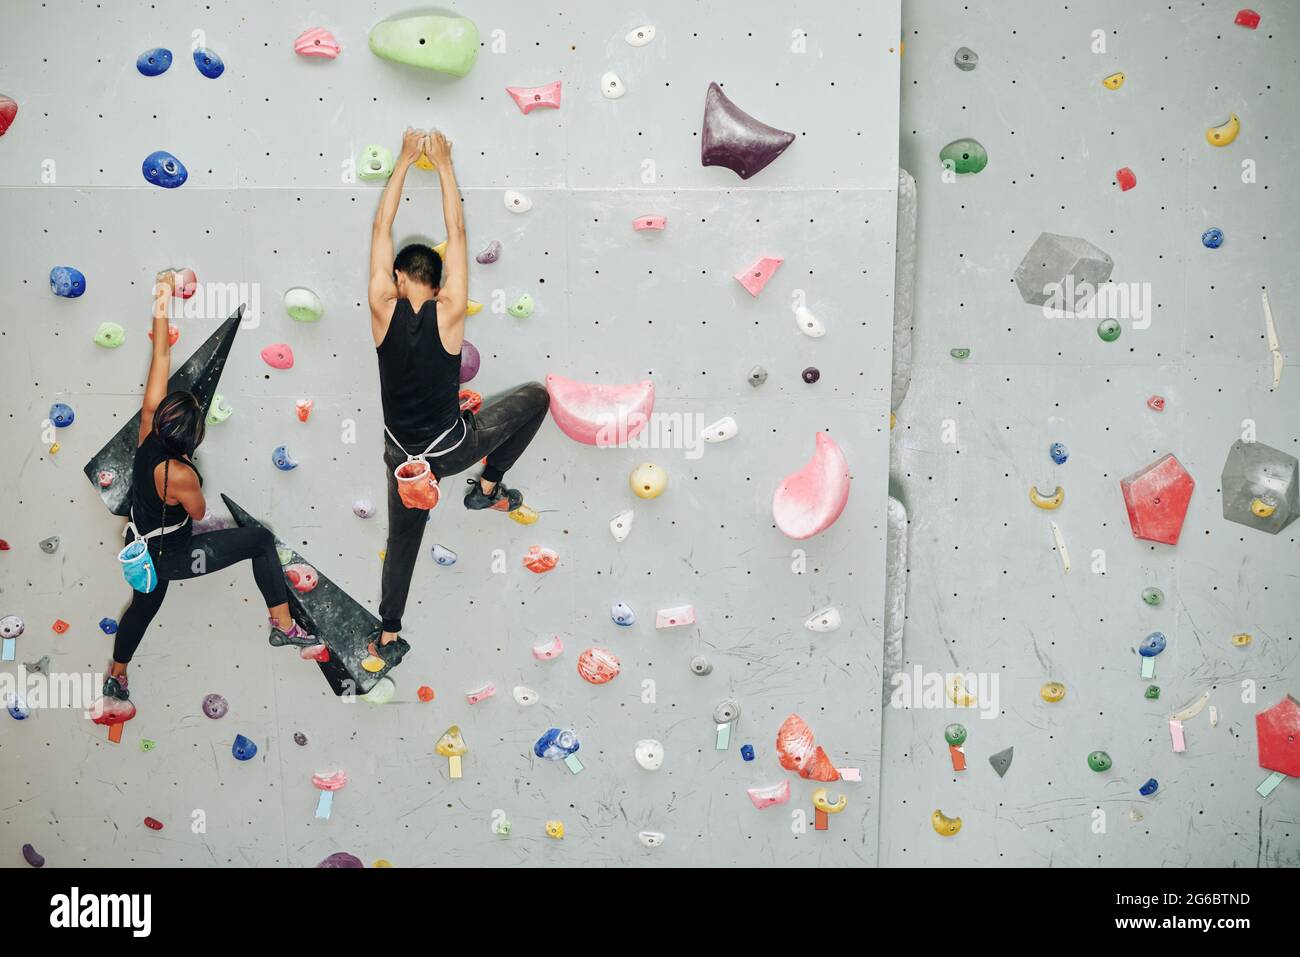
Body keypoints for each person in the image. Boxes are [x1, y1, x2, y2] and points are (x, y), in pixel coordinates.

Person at [367, 128, 549, 667]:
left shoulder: (381, 309)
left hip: (404, 461)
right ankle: (487, 485)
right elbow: (460, 232)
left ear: (398, 277)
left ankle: (388, 635)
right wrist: (444, 165)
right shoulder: (450, 316)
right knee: (535, 398)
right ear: (442, 284)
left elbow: (382, 226)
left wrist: (403, 160)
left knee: (404, 544)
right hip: (451, 449)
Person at [102, 272, 316, 701]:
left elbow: (160, 354)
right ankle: (282, 623)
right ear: (191, 438)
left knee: (144, 607)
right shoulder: (180, 475)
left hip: (142, 543)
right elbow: (198, 514)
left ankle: (117, 674)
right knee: (259, 541)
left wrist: (163, 297)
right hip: (173, 556)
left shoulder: (148, 426)